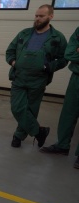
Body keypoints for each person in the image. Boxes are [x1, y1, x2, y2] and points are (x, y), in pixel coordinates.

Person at [5, 4, 68, 148]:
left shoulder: (57, 37)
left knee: (31, 109)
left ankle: (18, 135)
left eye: (41, 16)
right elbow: (10, 50)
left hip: (38, 80)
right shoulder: (24, 33)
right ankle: (39, 132)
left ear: (50, 17)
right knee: (17, 107)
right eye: (36, 16)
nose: (37, 19)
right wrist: (13, 62)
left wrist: (50, 66)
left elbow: (64, 59)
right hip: (19, 77)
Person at [40, 26, 79, 169]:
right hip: (76, 78)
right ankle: (62, 145)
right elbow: (69, 54)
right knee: (68, 113)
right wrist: (75, 52)